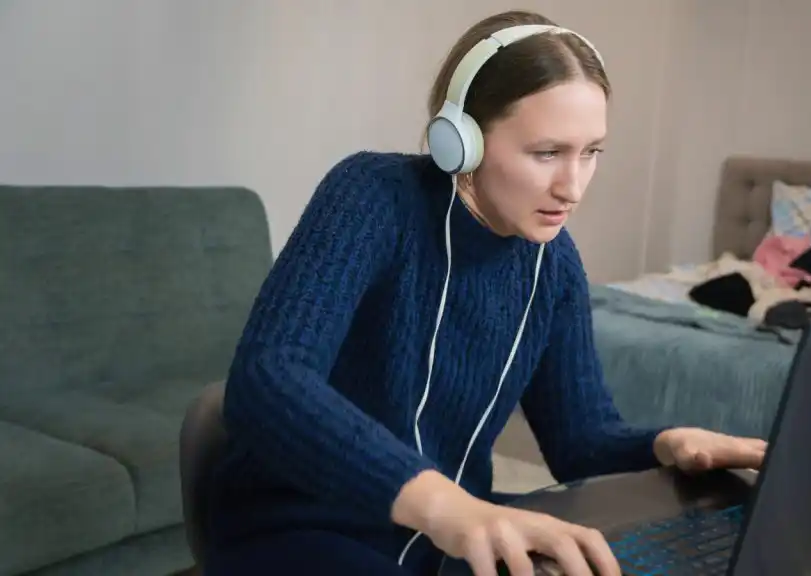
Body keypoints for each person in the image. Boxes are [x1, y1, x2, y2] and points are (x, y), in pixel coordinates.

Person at [204, 9, 767, 576]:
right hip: (306, 523)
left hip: (451, 530)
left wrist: (667, 444)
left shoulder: (554, 263)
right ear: (462, 140)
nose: (572, 187)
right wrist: (446, 506)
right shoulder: (373, 196)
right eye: (546, 153)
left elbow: (583, 440)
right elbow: (267, 378)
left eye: (591, 151)